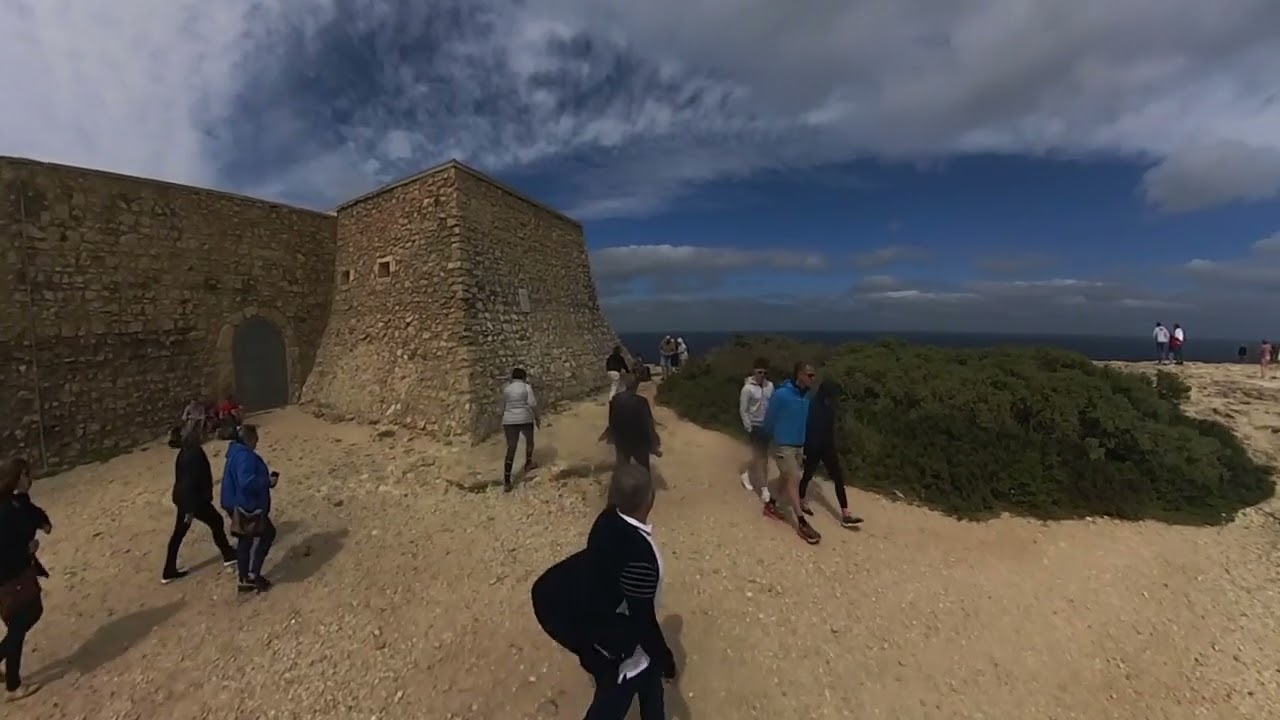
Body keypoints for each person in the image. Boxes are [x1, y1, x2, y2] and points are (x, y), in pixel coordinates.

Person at [581, 463, 675, 719]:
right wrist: (666, 659)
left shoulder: (604, 523)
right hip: (626, 655)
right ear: (649, 501)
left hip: (619, 640)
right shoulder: (641, 554)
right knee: (608, 707)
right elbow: (642, 619)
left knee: (653, 698)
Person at [0, 458, 51, 701]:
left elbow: (30, 512)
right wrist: (27, 548)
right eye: (26, 475)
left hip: (18, 572)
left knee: (32, 611)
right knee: (19, 622)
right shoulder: (4, 510)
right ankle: (13, 685)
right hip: (7, 576)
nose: (30, 478)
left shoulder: (16, 502)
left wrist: (43, 522)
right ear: (17, 476)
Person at [163, 423, 237, 584]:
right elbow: (189, 482)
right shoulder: (194, 453)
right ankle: (228, 555)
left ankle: (169, 570)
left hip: (186, 499)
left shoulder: (186, 451)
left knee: (181, 533)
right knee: (216, 521)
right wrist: (190, 509)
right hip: (192, 501)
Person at [761, 362, 821, 545]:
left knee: (786, 478)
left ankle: (771, 505)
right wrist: (768, 439)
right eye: (809, 375)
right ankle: (801, 522)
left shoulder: (807, 397)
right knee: (794, 478)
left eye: (813, 375)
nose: (813, 378)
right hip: (782, 444)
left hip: (798, 445)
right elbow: (769, 419)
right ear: (799, 375)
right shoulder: (781, 394)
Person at [797, 380, 864, 529]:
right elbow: (806, 428)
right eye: (833, 394)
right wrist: (805, 450)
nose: (834, 397)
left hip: (828, 448)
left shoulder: (830, 407)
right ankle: (800, 500)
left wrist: (832, 447)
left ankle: (845, 514)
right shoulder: (812, 405)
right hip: (813, 447)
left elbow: (829, 430)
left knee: (838, 478)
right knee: (808, 474)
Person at [220, 424, 278, 593]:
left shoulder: (236, 454)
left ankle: (245, 577)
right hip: (246, 506)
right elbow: (246, 482)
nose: (257, 441)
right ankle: (251, 575)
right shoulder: (244, 457)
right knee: (266, 534)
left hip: (236, 503)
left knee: (246, 541)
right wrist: (267, 482)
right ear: (249, 438)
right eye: (255, 438)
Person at [737, 357, 774, 502]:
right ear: (754, 371)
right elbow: (743, 409)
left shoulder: (770, 386)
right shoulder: (747, 389)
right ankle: (764, 490)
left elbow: (772, 404)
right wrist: (748, 427)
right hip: (755, 426)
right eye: (759, 372)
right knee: (762, 457)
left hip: (767, 425)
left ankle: (747, 473)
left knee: (761, 455)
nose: (762, 375)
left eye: (764, 372)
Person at [608, 373, 661, 470]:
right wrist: (653, 443)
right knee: (644, 469)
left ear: (624, 385)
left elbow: (611, 421)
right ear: (637, 385)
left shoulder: (615, 399)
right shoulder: (642, 401)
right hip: (639, 441)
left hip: (622, 440)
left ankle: (621, 483)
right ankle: (645, 483)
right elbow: (648, 423)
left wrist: (612, 437)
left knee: (622, 469)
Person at [500, 368, 539, 492]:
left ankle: (507, 480)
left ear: (512, 377)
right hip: (524, 418)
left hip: (509, 420)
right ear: (524, 377)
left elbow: (504, 404)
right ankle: (528, 463)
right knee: (529, 441)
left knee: (511, 448)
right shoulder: (526, 387)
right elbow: (532, 404)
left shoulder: (506, 388)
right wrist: (537, 418)